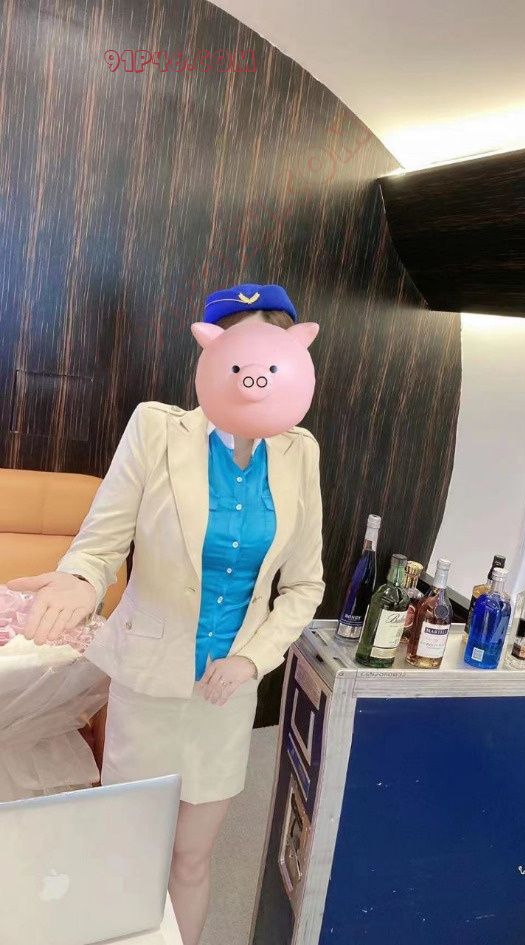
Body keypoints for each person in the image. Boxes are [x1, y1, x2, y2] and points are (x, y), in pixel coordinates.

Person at [9, 283, 324, 945]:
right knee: (126, 850)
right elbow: (100, 542)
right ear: (211, 353)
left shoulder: (301, 451)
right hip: (149, 682)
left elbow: (304, 585)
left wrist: (252, 659)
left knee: (192, 857)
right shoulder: (157, 428)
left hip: (225, 695)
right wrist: (79, 580)